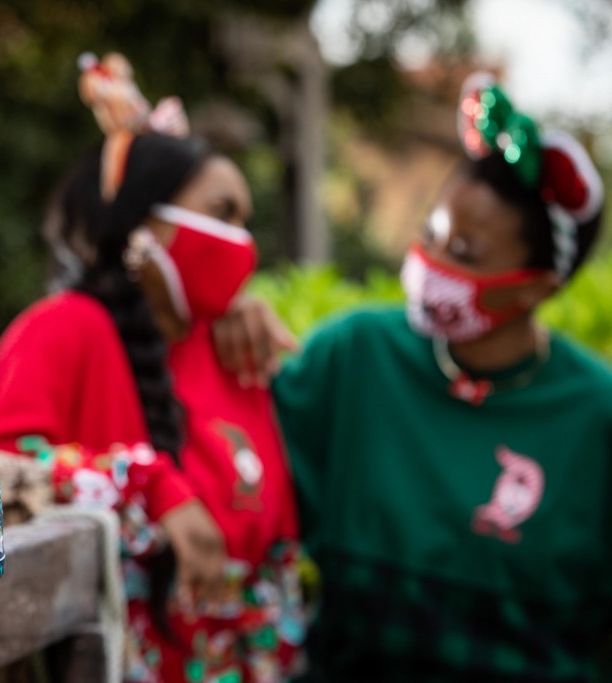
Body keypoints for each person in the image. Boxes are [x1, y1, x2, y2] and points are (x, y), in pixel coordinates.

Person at [217, 72, 610, 681]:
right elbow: (231, 461)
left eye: (466, 253)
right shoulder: (355, 357)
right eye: (432, 233)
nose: (433, 263)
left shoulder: (594, 413)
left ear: (537, 287)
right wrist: (215, 319)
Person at [0, 53, 304, 682]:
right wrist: (147, 484)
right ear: (144, 223)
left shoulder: (234, 347)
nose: (244, 241)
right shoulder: (65, 329)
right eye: (223, 214)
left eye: (247, 220)